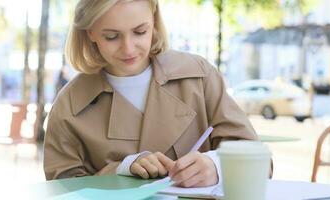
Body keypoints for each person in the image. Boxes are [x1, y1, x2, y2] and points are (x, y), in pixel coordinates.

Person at [44, 0, 257, 188]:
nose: (128, 49)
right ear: (90, 32)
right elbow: (61, 187)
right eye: (111, 36)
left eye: (140, 32)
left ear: (154, 21)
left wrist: (216, 165)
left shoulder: (200, 77)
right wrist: (122, 169)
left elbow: (255, 157)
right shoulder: (68, 106)